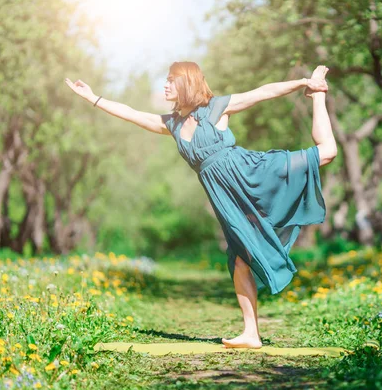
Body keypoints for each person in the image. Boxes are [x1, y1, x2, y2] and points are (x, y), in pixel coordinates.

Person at [64, 62, 337, 349]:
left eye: (172, 80)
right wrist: (93, 98)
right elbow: (132, 114)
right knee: (240, 258)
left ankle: (319, 93)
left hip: (251, 173)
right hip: (226, 198)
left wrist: (305, 83)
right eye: (166, 81)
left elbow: (262, 92)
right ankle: (251, 333)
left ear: (188, 82)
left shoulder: (215, 108)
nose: (166, 85)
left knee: (327, 152)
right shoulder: (172, 124)